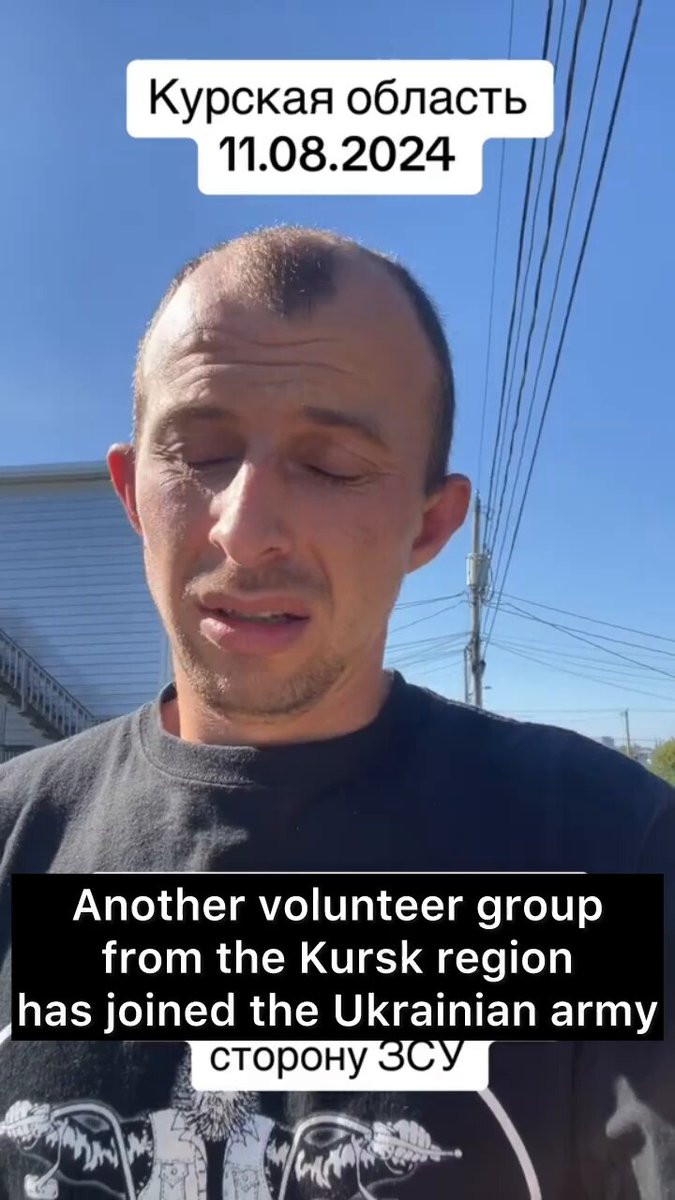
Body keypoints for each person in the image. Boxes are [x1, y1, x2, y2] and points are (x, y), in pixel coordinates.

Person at [0, 225, 673, 1200]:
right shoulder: (17, 835)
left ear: (430, 525)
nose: (246, 530)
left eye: (332, 465)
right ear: (133, 493)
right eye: (201, 452)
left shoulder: (607, 849)